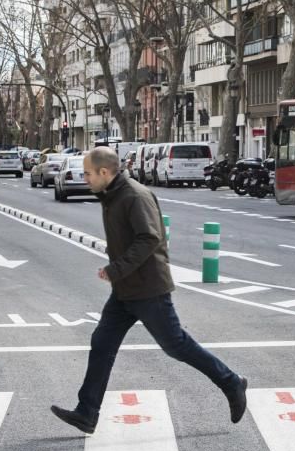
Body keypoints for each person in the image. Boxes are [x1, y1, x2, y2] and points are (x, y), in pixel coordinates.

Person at [51, 146, 247, 434]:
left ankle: (231, 382)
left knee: (176, 345)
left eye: (89, 173)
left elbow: (149, 238)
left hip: (147, 288)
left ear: (105, 172)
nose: (86, 178)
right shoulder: (112, 195)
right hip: (125, 290)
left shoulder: (133, 196)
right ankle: (87, 412)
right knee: (102, 342)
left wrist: (115, 269)